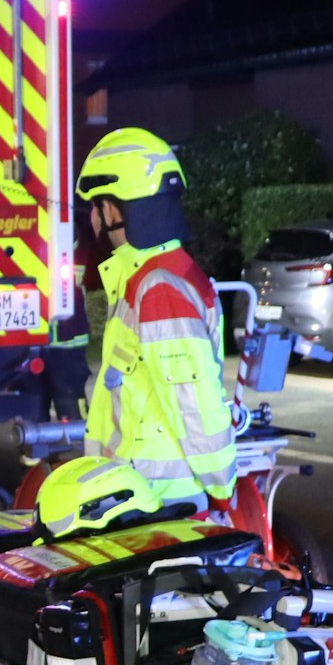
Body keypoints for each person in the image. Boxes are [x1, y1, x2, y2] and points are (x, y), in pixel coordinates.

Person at [74, 128, 236, 515]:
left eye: (98, 206)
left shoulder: (159, 288)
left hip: (160, 504)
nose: (95, 218)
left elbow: (193, 400)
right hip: (140, 496)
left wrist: (221, 487)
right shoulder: (150, 278)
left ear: (115, 210)